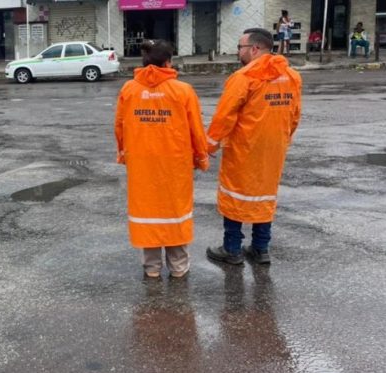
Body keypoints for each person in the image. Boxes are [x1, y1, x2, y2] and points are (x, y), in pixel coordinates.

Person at [114, 40, 210, 279]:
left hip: (142, 165)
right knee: (174, 211)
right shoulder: (183, 90)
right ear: (168, 62)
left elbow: (120, 127)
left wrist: (124, 154)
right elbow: (196, 129)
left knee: (148, 212)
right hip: (175, 166)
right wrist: (201, 157)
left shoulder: (129, 89)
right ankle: (178, 267)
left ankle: (152, 267)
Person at [205, 28, 302, 265]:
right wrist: (283, 140)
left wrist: (207, 148)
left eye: (240, 47)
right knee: (265, 197)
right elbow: (294, 115)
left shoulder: (243, 78)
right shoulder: (291, 76)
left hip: (244, 149)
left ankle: (232, 249)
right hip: (274, 149)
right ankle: (261, 248)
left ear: (254, 49)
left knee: (235, 196)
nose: (238, 52)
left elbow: (224, 117)